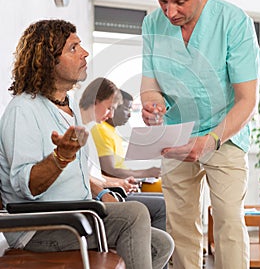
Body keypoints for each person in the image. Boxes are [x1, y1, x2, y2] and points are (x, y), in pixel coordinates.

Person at [0, 19, 174, 269]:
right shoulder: (23, 110)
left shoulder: (68, 108)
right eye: (73, 48)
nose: (84, 53)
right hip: (41, 228)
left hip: (79, 215)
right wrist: (61, 157)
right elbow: (26, 186)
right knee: (134, 213)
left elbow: (77, 177)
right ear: (48, 60)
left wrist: (102, 193)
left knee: (162, 244)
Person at [140, 0, 260, 269]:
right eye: (162, 1)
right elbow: (150, 83)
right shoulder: (152, 24)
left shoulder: (233, 22)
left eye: (180, 1)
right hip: (176, 136)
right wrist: (151, 103)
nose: (170, 12)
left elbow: (247, 100)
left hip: (224, 134)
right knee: (180, 224)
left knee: (227, 219)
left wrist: (210, 140)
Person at [79, 78, 166, 231]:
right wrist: (115, 184)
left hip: (104, 190)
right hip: (97, 197)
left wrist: (119, 182)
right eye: (109, 108)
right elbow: (85, 178)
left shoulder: (88, 130)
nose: (111, 114)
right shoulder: (87, 131)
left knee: (163, 201)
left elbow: (93, 175)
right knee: (162, 206)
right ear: (95, 101)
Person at [94, 88, 162, 189]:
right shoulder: (100, 129)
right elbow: (109, 170)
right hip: (117, 186)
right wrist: (146, 172)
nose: (129, 114)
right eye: (127, 109)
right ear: (114, 107)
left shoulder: (112, 132)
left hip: (128, 181)